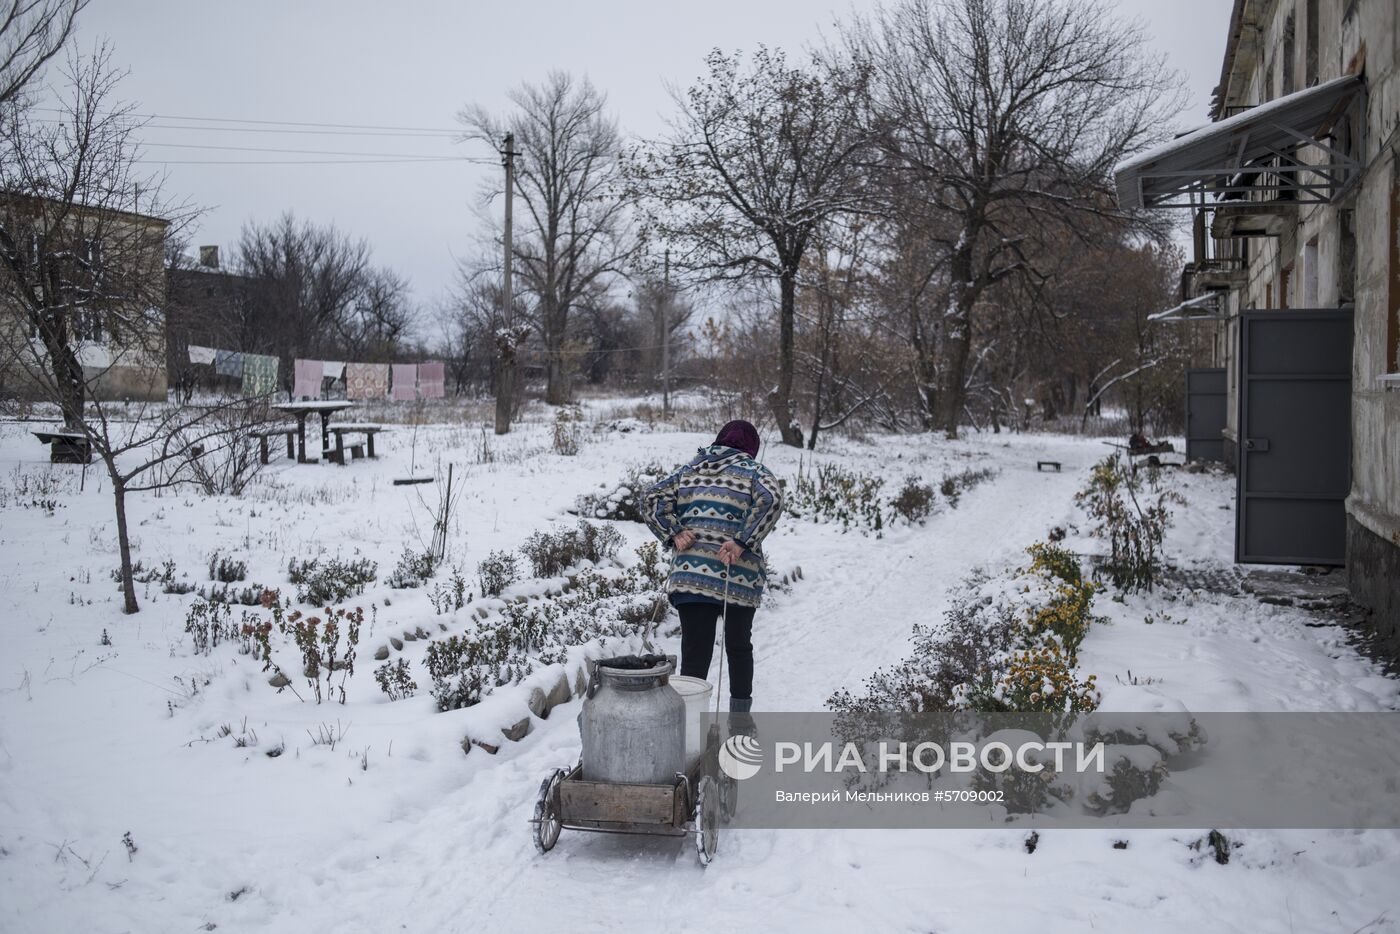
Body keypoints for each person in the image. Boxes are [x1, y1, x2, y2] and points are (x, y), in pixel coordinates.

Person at [642, 419, 783, 715]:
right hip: (739, 575)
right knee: (738, 647)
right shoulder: (754, 472)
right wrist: (743, 542)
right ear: (751, 447)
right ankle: (740, 719)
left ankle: (692, 723)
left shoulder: (691, 469)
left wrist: (675, 532)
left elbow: (651, 498)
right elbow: (771, 499)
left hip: (691, 574)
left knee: (695, 651)